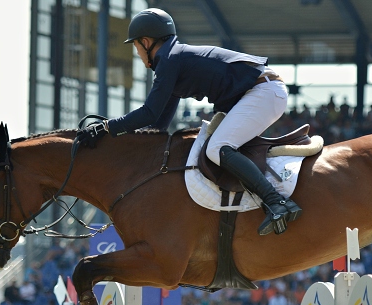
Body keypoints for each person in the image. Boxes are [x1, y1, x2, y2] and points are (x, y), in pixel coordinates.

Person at [75, 8, 301, 236]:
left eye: (136, 47)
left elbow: (149, 112)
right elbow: (157, 126)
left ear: (146, 42)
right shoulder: (174, 59)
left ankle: (276, 202)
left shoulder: (170, 60)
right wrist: (120, 144)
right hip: (260, 92)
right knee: (212, 146)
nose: (137, 53)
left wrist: (106, 128)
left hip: (263, 91)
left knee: (217, 148)